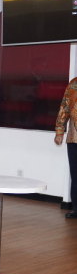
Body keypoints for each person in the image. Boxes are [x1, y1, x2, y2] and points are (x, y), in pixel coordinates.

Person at [55, 77, 77, 218]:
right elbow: (65, 108)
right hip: (74, 139)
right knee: (75, 176)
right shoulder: (74, 84)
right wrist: (59, 131)